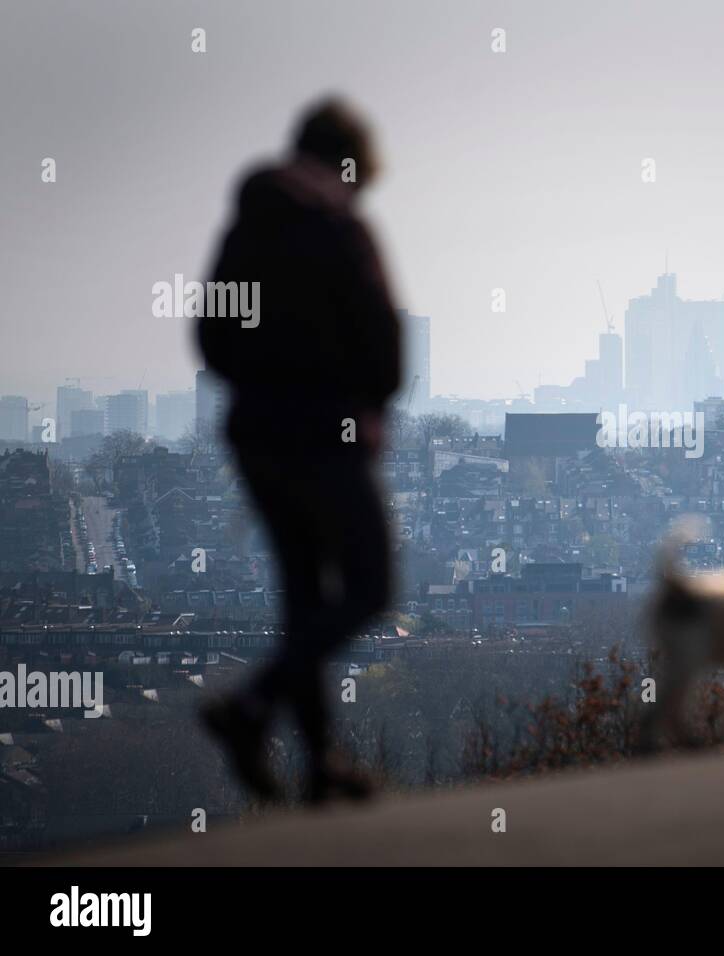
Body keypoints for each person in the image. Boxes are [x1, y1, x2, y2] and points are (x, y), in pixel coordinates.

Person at [197, 97, 401, 804]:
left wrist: (262, 383)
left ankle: (319, 764)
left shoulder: (248, 226)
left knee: (304, 595)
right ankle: (251, 707)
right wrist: (357, 402)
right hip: (326, 437)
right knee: (369, 588)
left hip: (257, 437)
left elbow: (210, 339)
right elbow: (386, 349)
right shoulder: (340, 231)